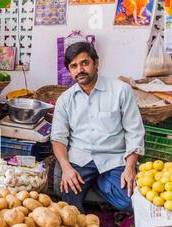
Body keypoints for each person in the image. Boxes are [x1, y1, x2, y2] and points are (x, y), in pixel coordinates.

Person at [50, 42, 145, 213]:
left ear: (96, 62)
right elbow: (58, 138)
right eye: (74, 66)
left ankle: (100, 182)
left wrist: (130, 168)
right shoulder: (65, 100)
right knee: (69, 202)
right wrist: (66, 168)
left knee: (131, 203)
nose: (80, 69)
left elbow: (134, 131)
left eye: (84, 63)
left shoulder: (121, 90)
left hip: (113, 160)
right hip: (80, 160)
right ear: (69, 70)